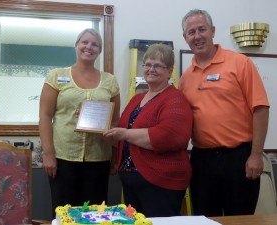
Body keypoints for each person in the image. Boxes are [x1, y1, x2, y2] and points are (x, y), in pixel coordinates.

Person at [179, 9, 270, 217]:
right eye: (191, 32)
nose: (197, 36)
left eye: (202, 29)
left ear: (212, 31)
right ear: (185, 38)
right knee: (205, 219)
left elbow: (261, 109)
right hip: (202, 160)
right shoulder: (185, 78)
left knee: (240, 219)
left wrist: (256, 155)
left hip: (239, 158)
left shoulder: (240, 63)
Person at [103, 43, 193, 217]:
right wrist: (95, 125)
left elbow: (166, 136)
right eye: (148, 64)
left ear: (169, 71)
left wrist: (124, 134)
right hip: (131, 180)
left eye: (158, 65)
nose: (151, 69)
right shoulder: (137, 99)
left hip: (161, 182)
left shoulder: (176, 99)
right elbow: (120, 133)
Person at [39, 28, 120, 217]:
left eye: (94, 44)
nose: (89, 47)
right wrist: (48, 154)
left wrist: (115, 156)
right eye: (84, 42)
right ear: (76, 45)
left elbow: (114, 121)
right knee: (65, 214)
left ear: (99, 50)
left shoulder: (110, 81)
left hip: (98, 159)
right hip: (63, 158)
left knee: (94, 215)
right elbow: (44, 116)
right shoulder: (57, 76)